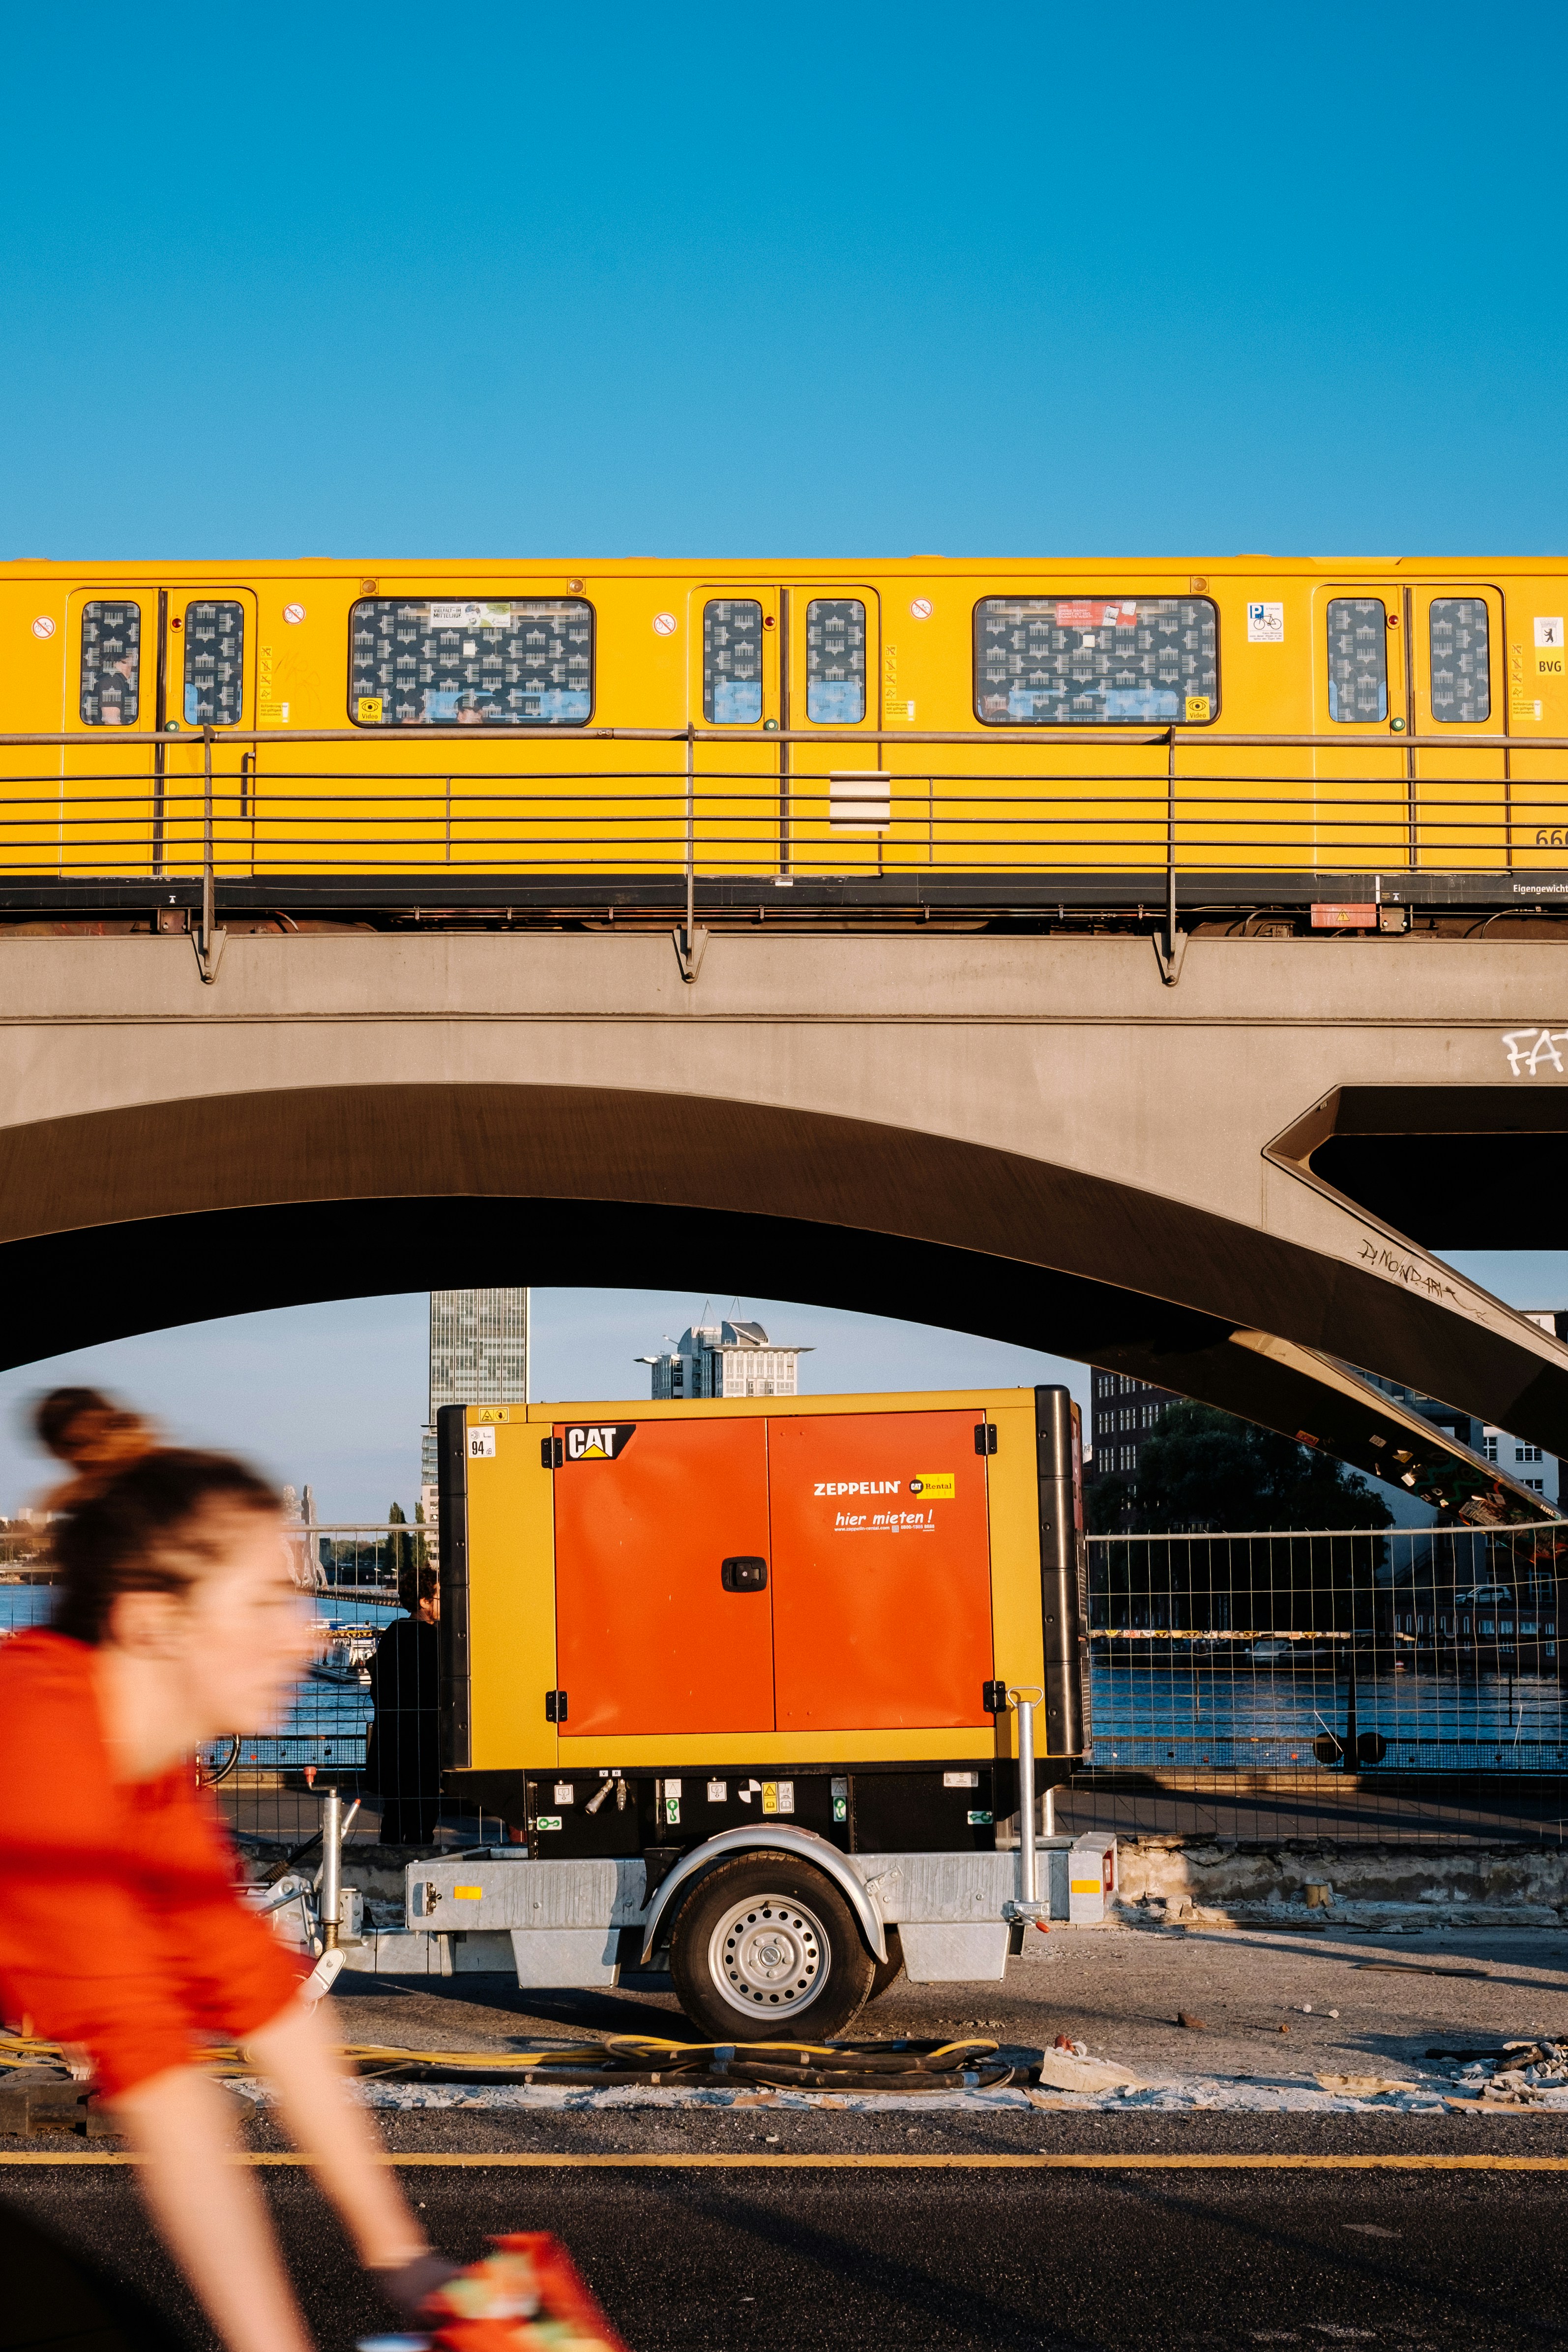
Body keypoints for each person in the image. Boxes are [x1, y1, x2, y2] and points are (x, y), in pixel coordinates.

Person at [0, 1403, 453, 2352]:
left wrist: (400, 2255)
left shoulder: (147, 1775)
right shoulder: (37, 1752)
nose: (306, 1638)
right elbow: (168, 2096)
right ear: (154, 1620)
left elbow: (270, 2010)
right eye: (262, 1603)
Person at [365, 1564, 442, 1845]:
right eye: (438, 1596)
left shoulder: (394, 1633)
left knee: (395, 1815)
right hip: (424, 1742)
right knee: (423, 1818)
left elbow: (380, 1689)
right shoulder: (435, 1640)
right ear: (424, 1601)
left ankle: (392, 1870)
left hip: (395, 1741)